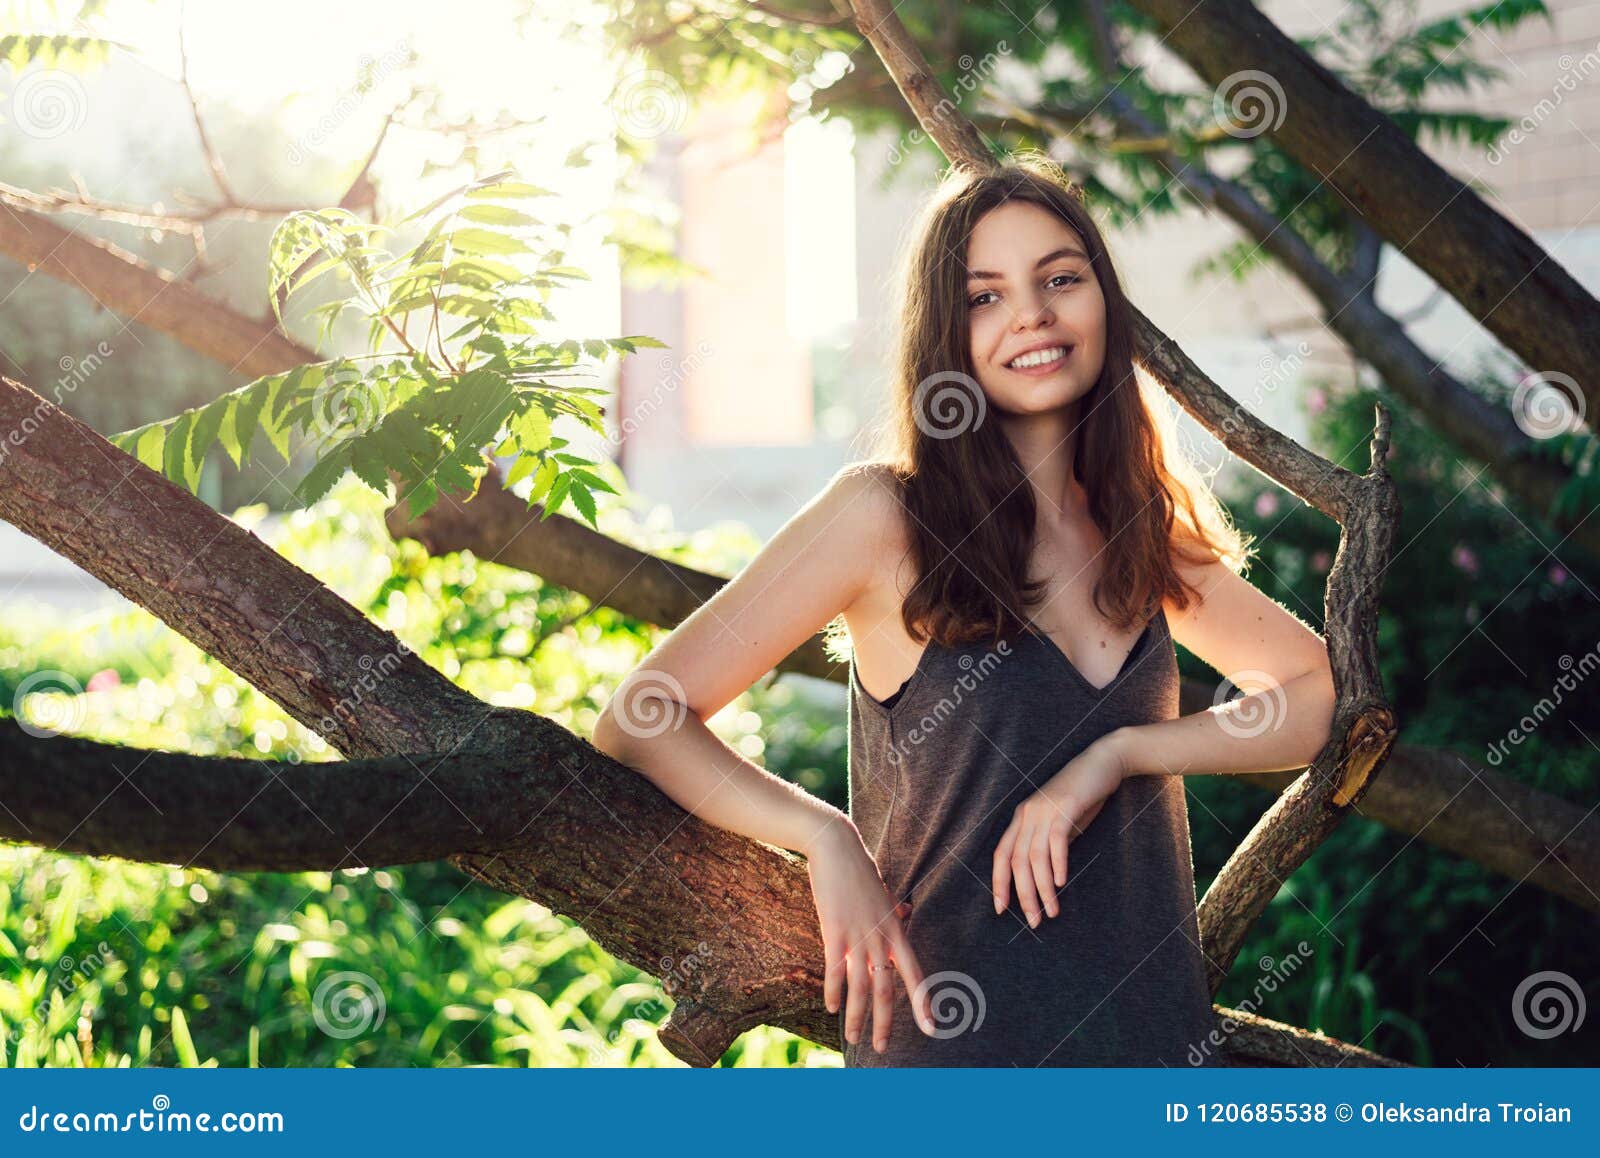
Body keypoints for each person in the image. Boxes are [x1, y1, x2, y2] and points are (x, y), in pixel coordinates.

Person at [593, 155, 1338, 1067]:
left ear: (1104, 302)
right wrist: (823, 837)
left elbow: (1319, 697)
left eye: (1061, 279)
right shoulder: (885, 517)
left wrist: (1122, 753)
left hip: (1153, 1052)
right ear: (947, 333)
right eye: (985, 296)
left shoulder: (1138, 528)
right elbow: (642, 717)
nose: (1032, 313)